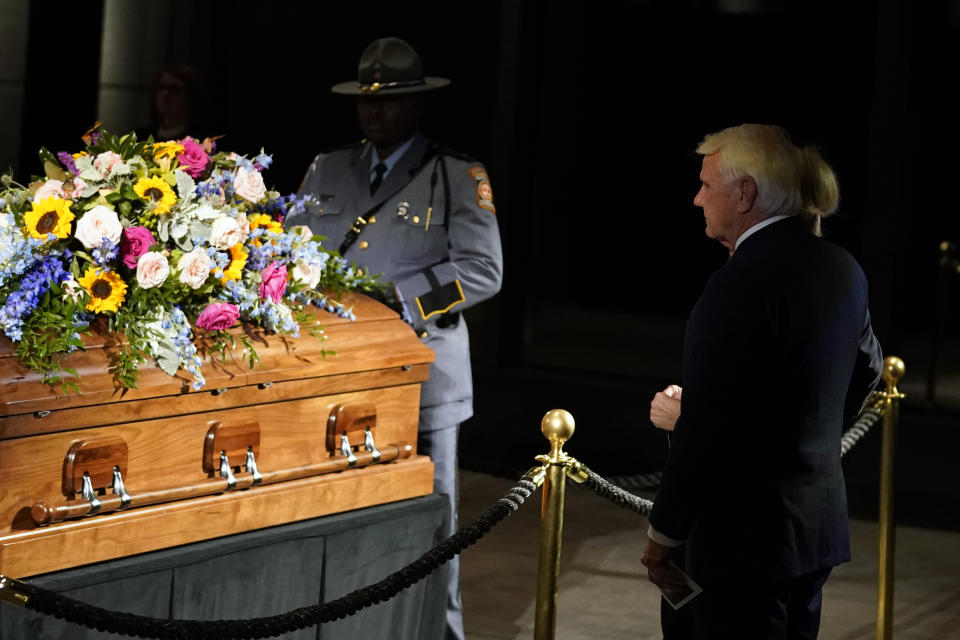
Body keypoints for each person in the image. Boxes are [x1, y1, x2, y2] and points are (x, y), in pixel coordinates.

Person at [285, 37, 503, 640]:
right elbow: (287, 255)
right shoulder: (327, 168)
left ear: (418, 105)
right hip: (338, 377)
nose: (376, 111)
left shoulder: (457, 174)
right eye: (367, 101)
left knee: (434, 526)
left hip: (423, 379)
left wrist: (401, 301)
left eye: (393, 101)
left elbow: (483, 272)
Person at [640, 123, 883, 639]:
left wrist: (662, 536)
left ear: (745, 192)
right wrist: (797, 436)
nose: (696, 197)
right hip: (813, 530)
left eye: (707, 185)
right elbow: (868, 371)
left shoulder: (737, 284)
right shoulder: (844, 268)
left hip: (739, 543)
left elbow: (705, 434)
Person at [134, 62, 210, 142]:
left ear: (190, 96)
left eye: (175, 89)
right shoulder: (140, 137)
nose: (166, 94)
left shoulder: (201, 140)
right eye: (162, 87)